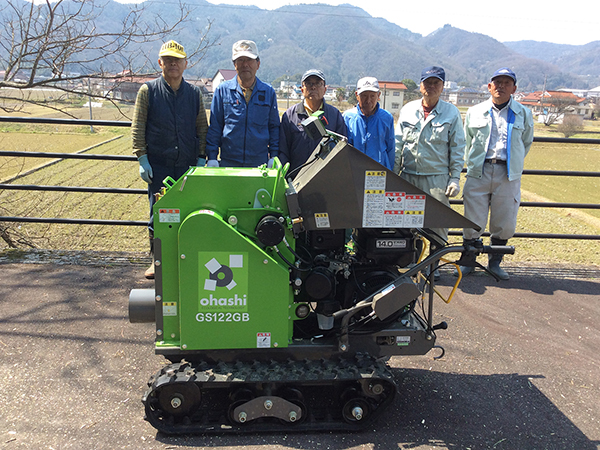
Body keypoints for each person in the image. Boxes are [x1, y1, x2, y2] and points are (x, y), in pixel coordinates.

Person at [132, 40, 208, 279]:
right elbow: (138, 127)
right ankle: (157, 261)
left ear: (185, 64)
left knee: (189, 213)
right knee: (158, 214)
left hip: (187, 165)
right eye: (168, 60)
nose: (173, 64)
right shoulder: (148, 91)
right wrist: (142, 158)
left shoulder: (194, 93)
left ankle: (187, 257)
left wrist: (202, 157)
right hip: (159, 164)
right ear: (160, 63)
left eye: (177, 60)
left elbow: (201, 128)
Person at [459, 67, 534, 280]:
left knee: (505, 220)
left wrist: (513, 162)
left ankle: (495, 263)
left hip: (507, 173)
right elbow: (468, 141)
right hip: (479, 170)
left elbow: (526, 142)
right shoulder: (475, 111)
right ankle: (469, 262)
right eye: (497, 82)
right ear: (490, 86)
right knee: (472, 219)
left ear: (514, 88)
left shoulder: (523, 113)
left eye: (506, 83)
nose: (501, 86)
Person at [395, 66, 465, 255]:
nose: (431, 86)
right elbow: (397, 144)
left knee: (438, 224)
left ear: (442, 86)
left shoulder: (451, 113)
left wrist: (455, 178)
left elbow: (457, 148)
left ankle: (434, 266)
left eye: (436, 83)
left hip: (436, 178)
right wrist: (393, 176)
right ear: (420, 85)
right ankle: (411, 264)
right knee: (407, 224)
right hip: (408, 176)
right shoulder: (408, 109)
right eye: (427, 82)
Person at [206, 40, 279, 167]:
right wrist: (212, 156)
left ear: (258, 64)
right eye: (240, 60)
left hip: (259, 162)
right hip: (229, 161)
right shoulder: (222, 91)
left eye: (249, 60)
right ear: (234, 64)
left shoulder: (268, 92)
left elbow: (274, 127)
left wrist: (274, 155)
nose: (245, 64)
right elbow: (215, 127)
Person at [279, 69, 347, 176]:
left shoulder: (335, 115)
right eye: (309, 83)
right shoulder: (290, 116)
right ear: (302, 89)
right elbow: (283, 150)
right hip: (296, 179)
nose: (313, 87)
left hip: (325, 179)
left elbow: (342, 148)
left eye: (318, 83)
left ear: (325, 89)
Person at [343, 77, 395, 170]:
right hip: (354, 170)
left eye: (372, 96)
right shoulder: (348, 117)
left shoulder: (386, 118)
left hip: (379, 172)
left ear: (378, 95)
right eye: (364, 96)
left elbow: (390, 148)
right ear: (357, 95)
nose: (368, 100)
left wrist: (390, 173)